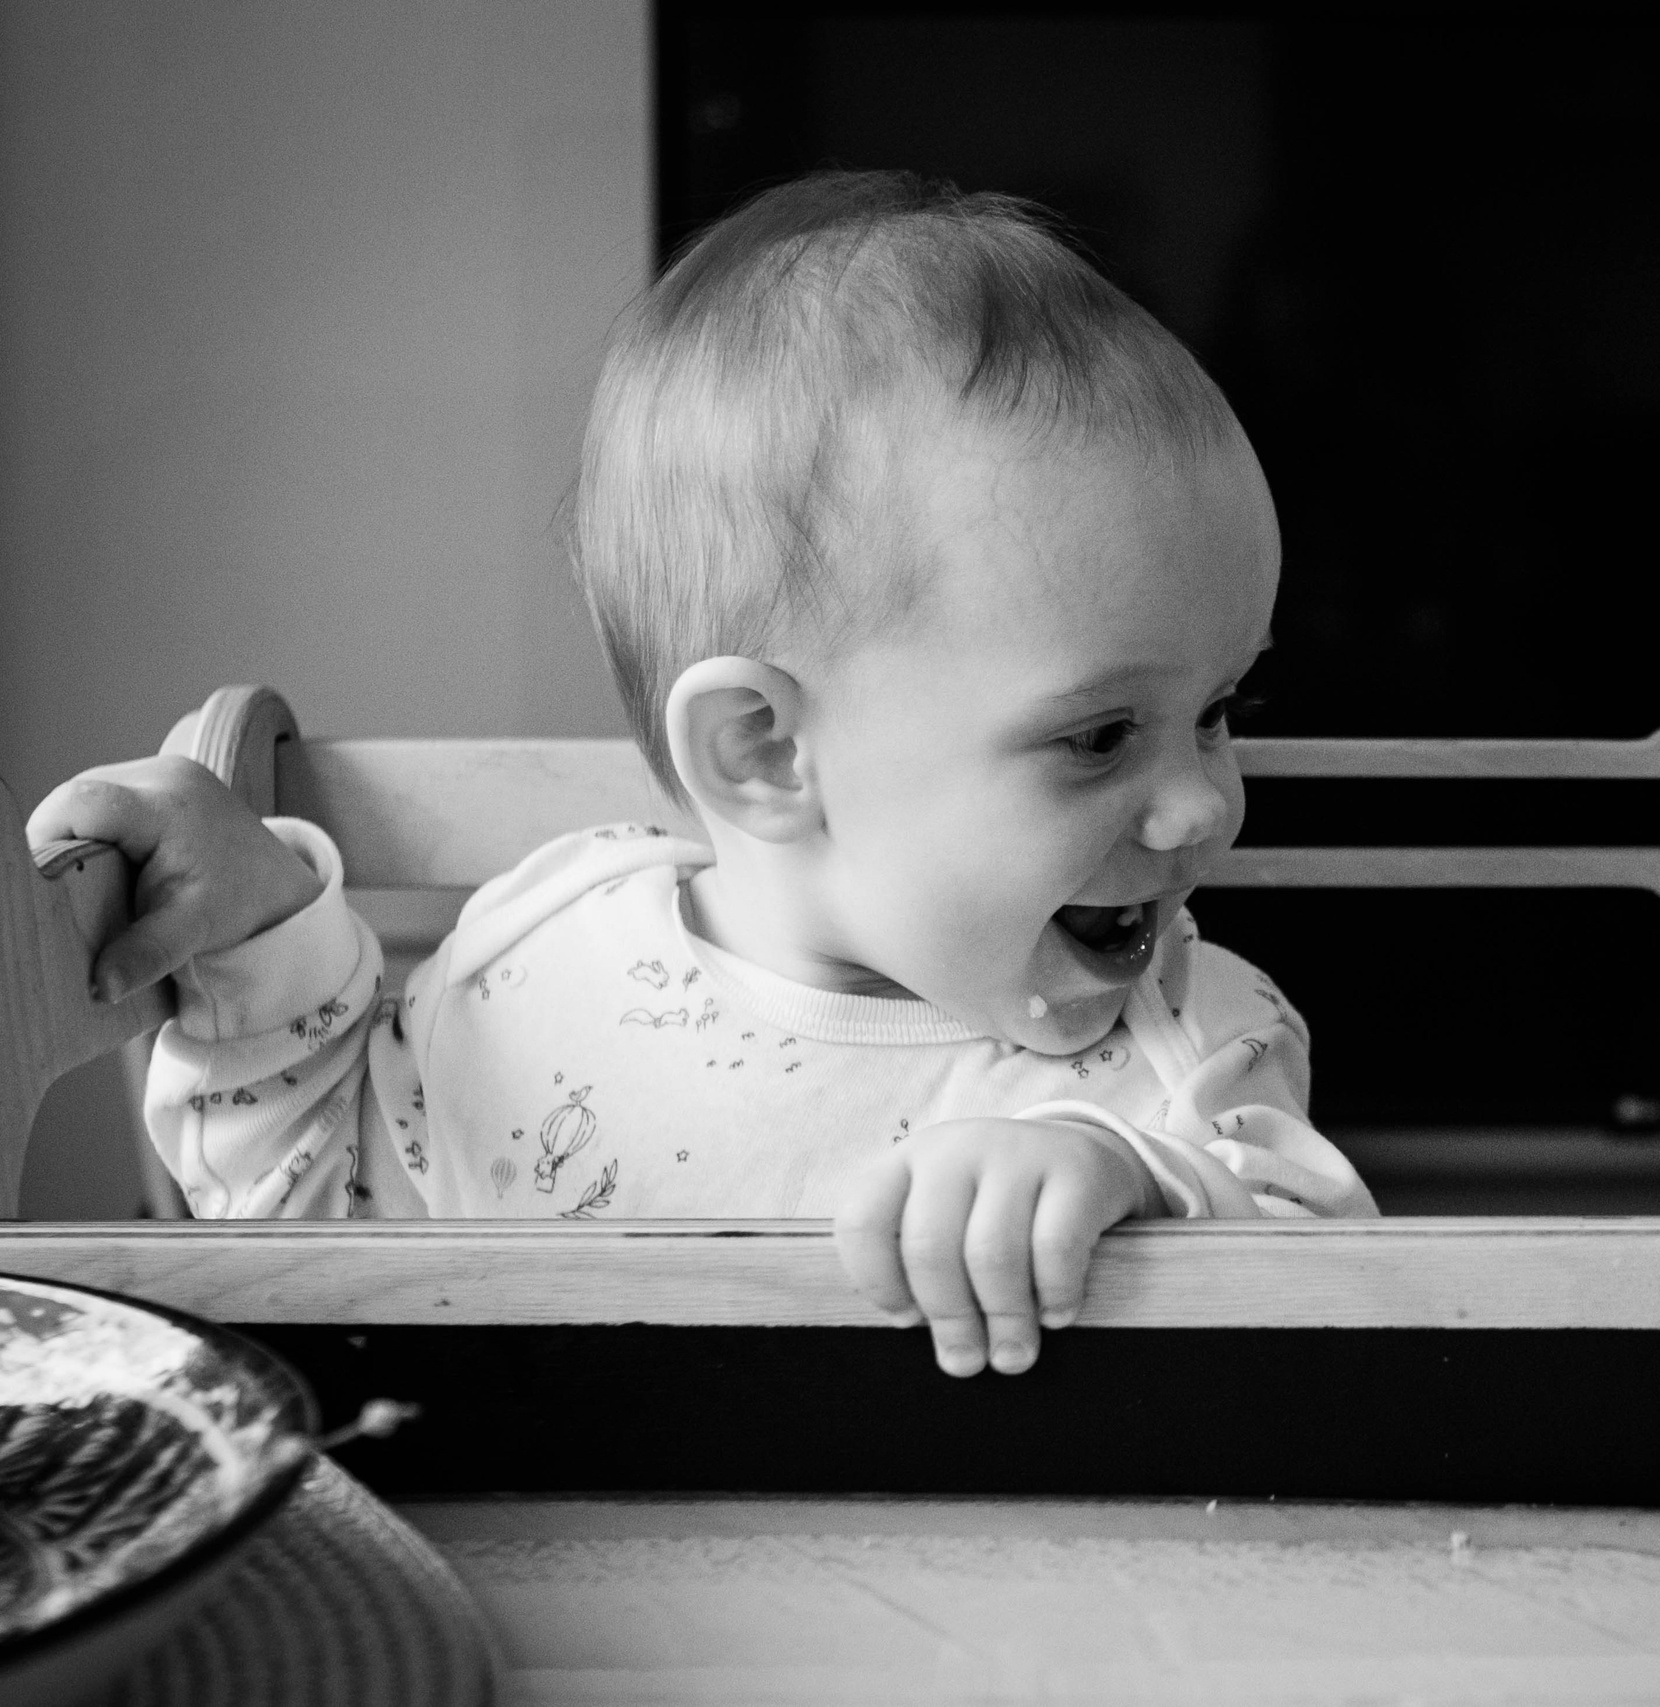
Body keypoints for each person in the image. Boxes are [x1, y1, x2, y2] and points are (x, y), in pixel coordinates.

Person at [28, 171, 1377, 1381]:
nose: (1206, 804)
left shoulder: (1192, 1041)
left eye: (1216, 710)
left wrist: (1124, 1180)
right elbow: (312, 1225)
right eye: (1098, 737)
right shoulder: (547, 958)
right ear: (765, 754)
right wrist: (260, 926)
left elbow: (1354, 1296)